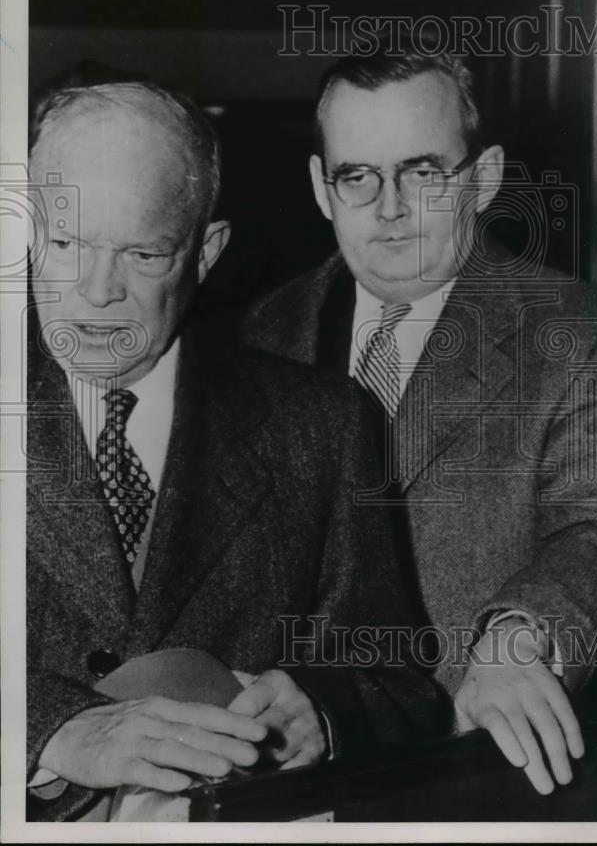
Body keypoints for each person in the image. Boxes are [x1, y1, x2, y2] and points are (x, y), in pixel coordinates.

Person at [242, 47, 597, 796]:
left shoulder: (583, 336)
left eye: (422, 172)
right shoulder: (256, 335)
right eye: (357, 176)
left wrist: (521, 635)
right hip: (280, 781)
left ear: (482, 179)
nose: (388, 208)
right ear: (322, 189)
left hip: (476, 773)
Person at [26, 80, 447, 821]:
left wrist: (321, 712)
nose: (96, 290)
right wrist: (49, 728)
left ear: (205, 252)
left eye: (143, 254)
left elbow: (396, 680)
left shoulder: (322, 425)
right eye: (66, 244)